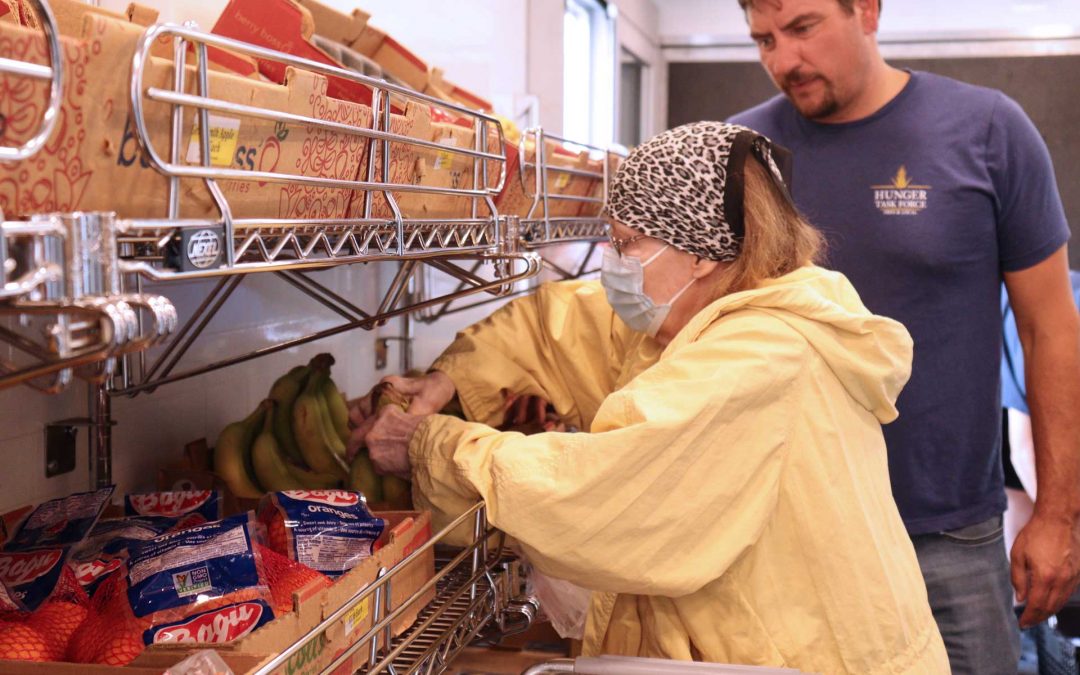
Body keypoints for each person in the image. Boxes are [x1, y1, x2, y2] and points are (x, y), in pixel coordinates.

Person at [352, 121, 949, 672]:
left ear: (696, 253)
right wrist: (454, 378)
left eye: (626, 243)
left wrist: (433, 446)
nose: (612, 265)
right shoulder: (718, 311)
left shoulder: (757, 359)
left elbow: (599, 498)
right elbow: (562, 326)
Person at [727, 1, 1080, 672]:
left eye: (803, 28)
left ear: (867, 10)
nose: (783, 60)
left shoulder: (987, 130)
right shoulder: (742, 155)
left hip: (949, 533)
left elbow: (1051, 327)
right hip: (786, 532)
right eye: (763, 40)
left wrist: (1060, 516)